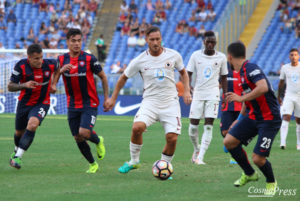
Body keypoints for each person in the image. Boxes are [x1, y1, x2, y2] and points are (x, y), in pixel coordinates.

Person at [106, 26, 192, 175]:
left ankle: (165, 167)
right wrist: (113, 98)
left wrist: (187, 91)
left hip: (170, 102)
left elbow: (184, 74)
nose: (155, 42)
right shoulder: (139, 60)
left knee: (172, 138)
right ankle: (134, 161)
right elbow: (123, 78)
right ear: (146, 40)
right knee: (137, 128)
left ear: (161, 39)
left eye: (157, 39)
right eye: (152, 39)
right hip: (150, 102)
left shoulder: (174, 55)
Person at [224, 41, 281, 195]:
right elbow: (247, 97)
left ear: (229, 57)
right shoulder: (241, 72)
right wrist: (239, 119)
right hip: (253, 116)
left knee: (258, 158)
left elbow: (263, 87)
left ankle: (271, 182)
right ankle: (249, 174)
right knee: (229, 141)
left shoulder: (251, 68)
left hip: (269, 119)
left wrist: (240, 99)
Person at [51, 29, 109, 173]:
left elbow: (103, 77)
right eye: (73, 41)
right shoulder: (61, 60)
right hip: (72, 104)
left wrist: (107, 98)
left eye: (79, 40)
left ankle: (98, 140)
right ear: (67, 42)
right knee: (77, 137)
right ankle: (92, 164)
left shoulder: (89, 59)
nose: (77, 44)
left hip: (90, 103)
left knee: (83, 132)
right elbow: (53, 84)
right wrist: (60, 71)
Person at [8, 44, 58, 169]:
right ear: (29, 58)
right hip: (24, 103)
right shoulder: (21, 66)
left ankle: (18, 157)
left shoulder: (50, 64)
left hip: (42, 103)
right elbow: (10, 86)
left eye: (41, 57)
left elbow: (58, 68)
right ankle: (16, 151)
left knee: (33, 124)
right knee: (19, 132)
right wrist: (24, 85)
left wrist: (54, 84)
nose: (40, 61)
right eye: (36, 58)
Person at [187, 31, 228, 165]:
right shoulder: (195, 55)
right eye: (208, 42)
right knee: (192, 127)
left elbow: (224, 77)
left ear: (215, 43)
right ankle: (196, 149)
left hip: (213, 94)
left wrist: (225, 93)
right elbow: (188, 73)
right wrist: (188, 88)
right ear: (204, 42)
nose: (210, 44)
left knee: (209, 126)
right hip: (198, 93)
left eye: (213, 42)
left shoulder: (221, 57)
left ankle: (201, 158)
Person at [220, 63, 243, 164]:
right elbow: (218, 85)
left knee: (237, 132)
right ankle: (228, 142)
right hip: (227, 106)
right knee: (224, 131)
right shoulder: (225, 73)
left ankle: (234, 157)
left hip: (240, 106)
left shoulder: (243, 73)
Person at [278, 48, 300, 150]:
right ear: (289, 56)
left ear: (298, 56)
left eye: (295, 55)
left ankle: (299, 143)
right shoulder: (285, 68)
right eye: (291, 55)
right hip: (289, 96)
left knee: (298, 120)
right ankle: (282, 143)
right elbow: (281, 83)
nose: (293, 57)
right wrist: (279, 96)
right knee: (286, 117)